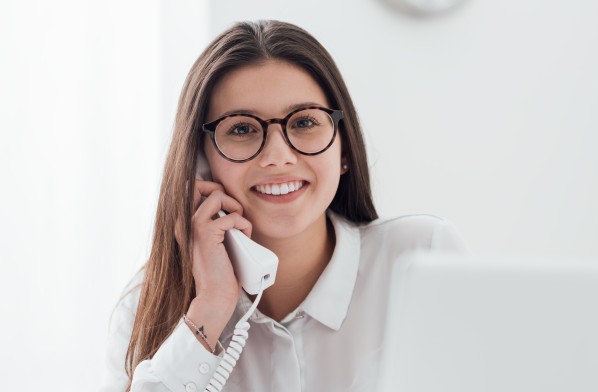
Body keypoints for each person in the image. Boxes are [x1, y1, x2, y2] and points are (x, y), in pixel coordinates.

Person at [101, 20, 467, 392]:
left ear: (343, 150)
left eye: (305, 121)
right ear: (201, 163)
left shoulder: (423, 257)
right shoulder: (144, 310)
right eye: (242, 128)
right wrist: (209, 309)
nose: (278, 156)